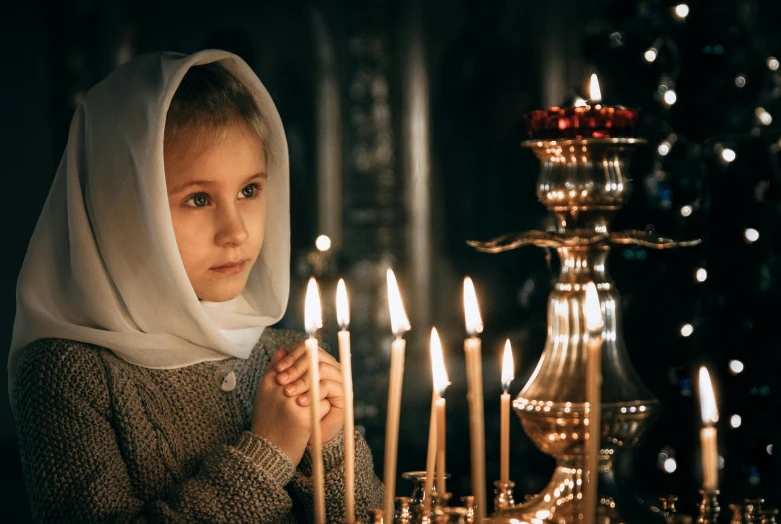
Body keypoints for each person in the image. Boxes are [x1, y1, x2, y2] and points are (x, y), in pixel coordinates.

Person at [8, 49, 383, 522]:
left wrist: (330, 444)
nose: (237, 232)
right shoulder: (67, 374)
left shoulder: (285, 356)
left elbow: (371, 514)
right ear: (124, 208)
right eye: (199, 198)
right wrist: (267, 452)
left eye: (249, 190)